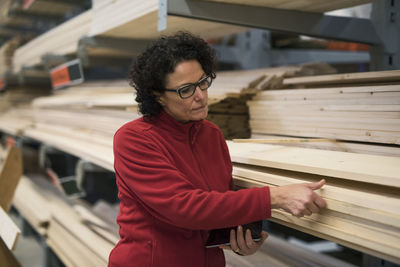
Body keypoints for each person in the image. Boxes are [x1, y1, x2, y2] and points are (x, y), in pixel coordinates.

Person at [109, 31, 326, 267]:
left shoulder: (211, 135)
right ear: (158, 96)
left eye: (203, 82)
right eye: (186, 90)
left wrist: (241, 241)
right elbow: (185, 207)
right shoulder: (134, 139)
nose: (201, 96)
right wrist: (276, 196)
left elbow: (217, 206)